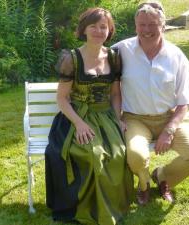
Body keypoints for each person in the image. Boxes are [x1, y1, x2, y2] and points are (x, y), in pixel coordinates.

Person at [112, 1, 189, 205]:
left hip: (170, 117)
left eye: (153, 24)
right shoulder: (121, 50)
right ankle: (144, 183)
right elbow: (97, 63)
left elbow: (185, 101)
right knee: (136, 156)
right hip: (135, 119)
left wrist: (170, 129)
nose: (147, 30)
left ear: (163, 26)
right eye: (142, 25)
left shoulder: (176, 56)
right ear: (135, 25)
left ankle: (163, 176)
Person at [45, 7, 133, 225]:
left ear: (109, 30)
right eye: (93, 26)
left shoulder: (113, 57)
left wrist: (118, 118)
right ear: (83, 29)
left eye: (103, 26)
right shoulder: (72, 59)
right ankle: (83, 209)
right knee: (92, 155)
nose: (98, 30)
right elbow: (62, 99)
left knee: (118, 154)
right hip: (76, 117)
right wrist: (80, 124)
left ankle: (112, 205)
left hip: (105, 116)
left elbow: (115, 94)